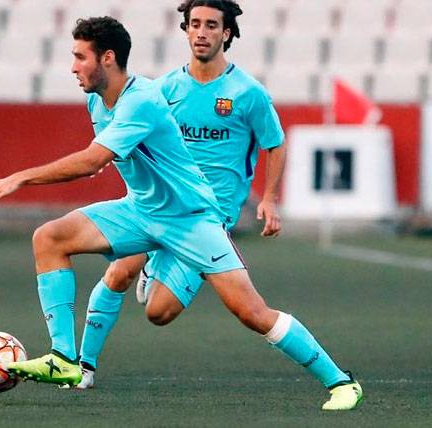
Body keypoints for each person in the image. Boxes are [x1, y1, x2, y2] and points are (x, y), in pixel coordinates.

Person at [0, 15, 362, 411]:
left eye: (79, 57)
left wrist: (21, 176)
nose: (72, 67)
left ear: (107, 58)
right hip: (139, 210)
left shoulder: (143, 100)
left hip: (191, 219)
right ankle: (67, 360)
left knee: (251, 312)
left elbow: (93, 162)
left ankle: (342, 382)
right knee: (49, 238)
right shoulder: (96, 99)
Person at [76, 0, 287, 390]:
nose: (201, 32)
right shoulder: (164, 89)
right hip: (159, 206)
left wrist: (270, 199)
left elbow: (273, 143)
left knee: (159, 312)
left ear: (226, 34)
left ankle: (157, 269)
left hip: (207, 216)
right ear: (186, 30)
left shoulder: (248, 93)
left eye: (211, 25)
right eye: (194, 24)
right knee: (119, 270)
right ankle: (82, 367)